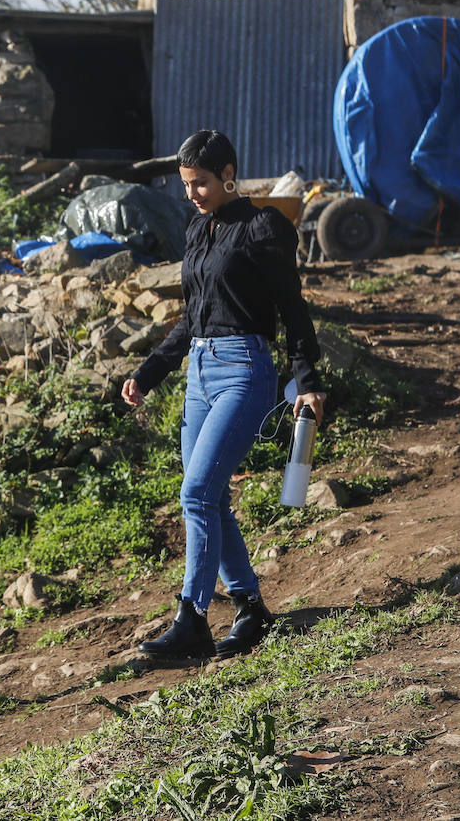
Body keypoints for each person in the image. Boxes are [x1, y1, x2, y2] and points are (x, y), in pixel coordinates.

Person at [122, 130, 326, 662]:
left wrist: (307, 381)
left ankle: (190, 618)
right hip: (200, 375)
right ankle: (251, 609)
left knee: (196, 494)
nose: (193, 193)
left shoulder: (265, 227)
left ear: (229, 174)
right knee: (211, 499)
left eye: (203, 183)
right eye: (187, 184)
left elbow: (292, 308)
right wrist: (148, 373)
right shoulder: (197, 230)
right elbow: (192, 317)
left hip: (245, 371)